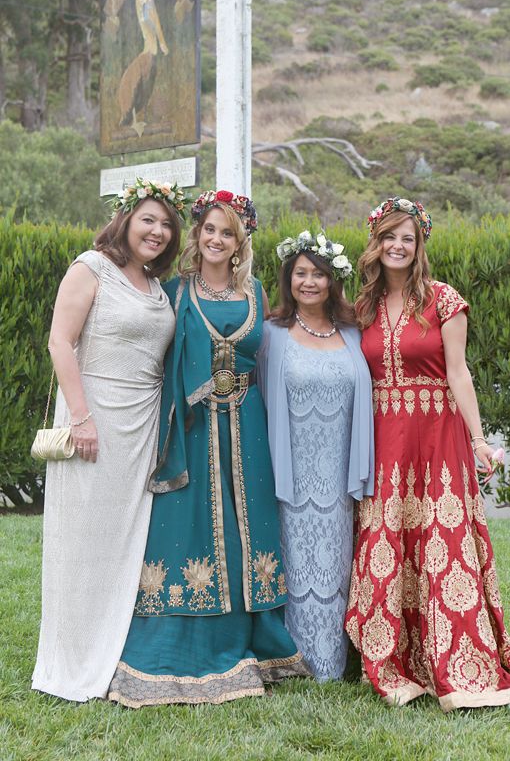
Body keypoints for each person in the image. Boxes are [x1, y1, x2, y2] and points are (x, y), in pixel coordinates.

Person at [108, 190, 309, 707]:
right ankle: (183, 642)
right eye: (209, 230)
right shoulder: (172, 292)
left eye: (228, 233)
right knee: (189, 525)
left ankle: (257, 639)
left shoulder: (257, 292)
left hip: (248, 425)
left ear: (241, 242)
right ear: (196, 235)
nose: (217, 239)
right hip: (192, 428)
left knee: (248, 528)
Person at [344, 196, 510, 711]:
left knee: (442, 543)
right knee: (389, 540)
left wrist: (479, 440)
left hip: (438, 436)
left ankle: (459, 664)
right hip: (384, 441)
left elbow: (459, 373)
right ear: (375, 243)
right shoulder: (362, 307)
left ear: (419, 246)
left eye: (408, 238)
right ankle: (392, 659)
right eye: (389, 236)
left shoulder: (443, 299)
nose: (398, 246)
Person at [32, 178, 185, 701]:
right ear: (125, 220)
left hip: (142, 425)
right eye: (148, 220)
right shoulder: (91, 267)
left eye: (166, 225)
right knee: (84, 538)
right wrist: (81, 418)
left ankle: (116, 649)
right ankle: (74, 657)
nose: (158, 232)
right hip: (95, 415)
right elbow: (60, 341)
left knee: (126, 541)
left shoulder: (156, 286)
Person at [256, 231, 374, 681]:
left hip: (340, 472)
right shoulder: (271, 334)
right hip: (290, 470)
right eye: (300, 273)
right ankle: (292, 658)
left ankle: (335, 659)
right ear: (288, 279)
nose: (309, 282)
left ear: (332, 281)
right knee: (294, 560)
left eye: (318, 274)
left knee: (337, 561)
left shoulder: (352, 333)